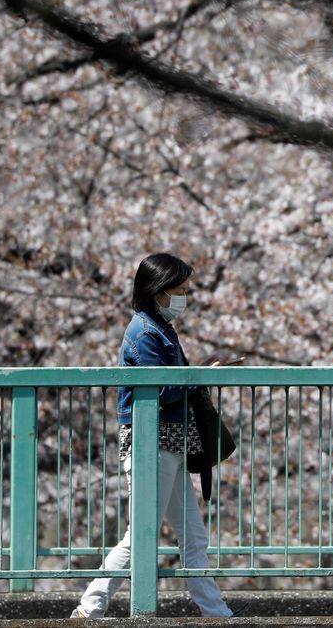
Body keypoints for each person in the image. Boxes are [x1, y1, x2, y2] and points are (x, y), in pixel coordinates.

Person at [72, 253, 234, 619]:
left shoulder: (160, 328)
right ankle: (89, 607)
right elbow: (157, 391)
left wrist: (196, 377)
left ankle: (217, 613)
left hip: (170, 443)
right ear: (157, 290)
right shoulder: (144, 332)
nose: (184, 298)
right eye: (179, 291)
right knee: (140, 535)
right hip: (151, 444)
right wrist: (199, 378)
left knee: (193, 536)